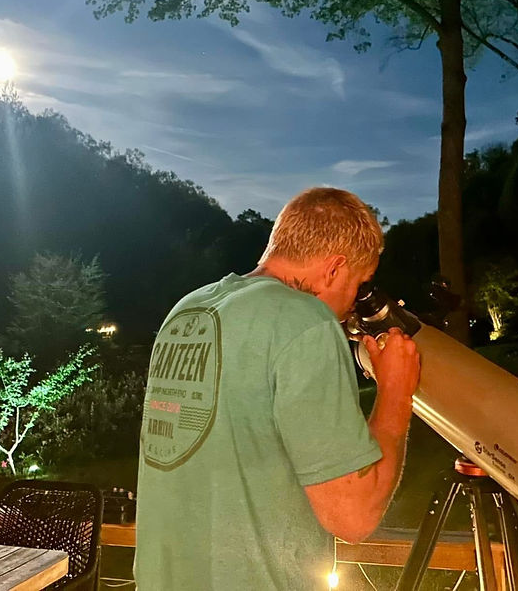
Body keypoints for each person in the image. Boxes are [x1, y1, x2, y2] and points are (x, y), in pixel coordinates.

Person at [134, 187, 421, 590]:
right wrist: (396, 392)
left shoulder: (190, 309)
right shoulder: (306, 322)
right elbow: (353, 516)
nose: (353, 302)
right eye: (359, 283)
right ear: (334, 268)